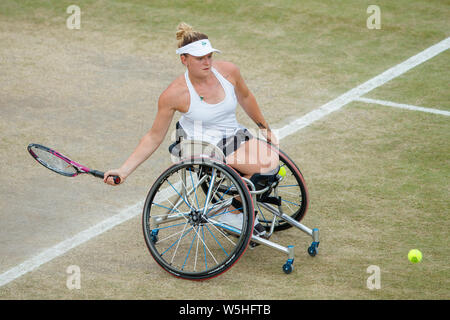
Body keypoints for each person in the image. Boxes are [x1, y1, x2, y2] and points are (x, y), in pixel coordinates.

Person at [104, 23, 279, 235]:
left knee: (271, 165)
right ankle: (233, 213)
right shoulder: (174, 94)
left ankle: (235, 209)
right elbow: (154, 136)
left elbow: (245, 97)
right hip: (200, 143)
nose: (207, 62)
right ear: (184, 60)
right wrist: (124, 171)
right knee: (261, 168)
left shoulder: (229, 72)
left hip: (233, 135)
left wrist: (264, 127)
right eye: (199, 58)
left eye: (209, 56)